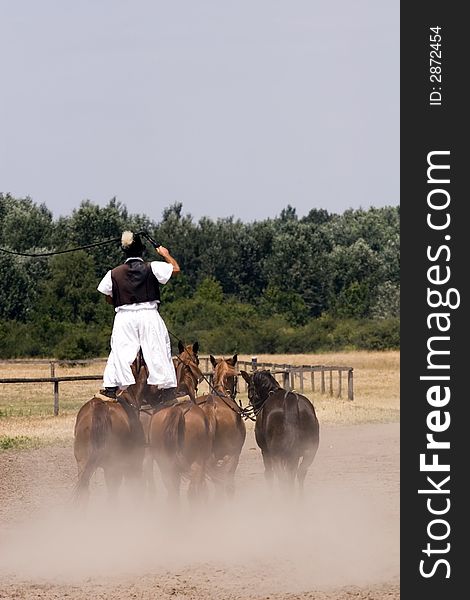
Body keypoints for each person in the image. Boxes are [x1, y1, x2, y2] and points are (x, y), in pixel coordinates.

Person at [97, 231, 180, 399]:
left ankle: (112, 387)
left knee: (119, 351)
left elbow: (108, 297)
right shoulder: (152, 266)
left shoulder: (113, 273)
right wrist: (166, 254)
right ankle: (167, 388)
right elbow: (176, 269)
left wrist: (124, 300)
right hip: (148, 314)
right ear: (142, 251)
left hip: (124, 317)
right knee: (158, 348)